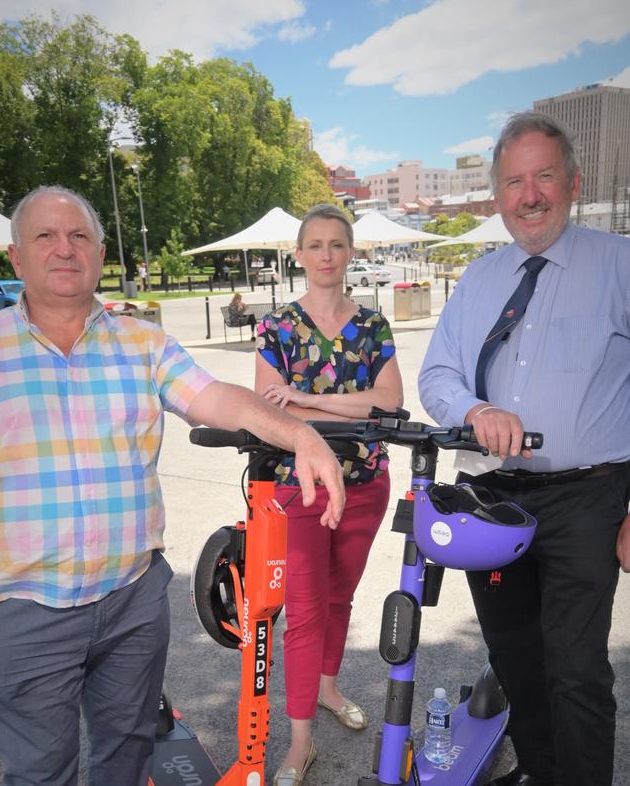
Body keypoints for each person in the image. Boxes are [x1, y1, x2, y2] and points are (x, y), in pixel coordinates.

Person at [0, 186, 345, 786]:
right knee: (40, 772)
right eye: (45, 236)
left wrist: (301, 435)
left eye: (79, 237)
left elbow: (218, 399)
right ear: (16, 258)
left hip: (131, 603)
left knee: (125, 756)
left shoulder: (143, 343)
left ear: (100, 253)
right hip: (22, 612)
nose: (64, 249)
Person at [418, 112, 630, 786]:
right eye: (514, 180)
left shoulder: (620, 264)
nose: (529, 194)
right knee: (516, 662)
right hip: (491, 499)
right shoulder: (479, 279)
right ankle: (543, 772)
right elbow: (435, 375)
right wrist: (473, 409)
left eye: (543, 176)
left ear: (572, 181)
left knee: (576, 670)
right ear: (497, 195)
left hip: (587, 497)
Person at [255, 203, 404, 786]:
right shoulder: (277, 327)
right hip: (299, 487)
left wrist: (307, 401)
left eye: (336, 245)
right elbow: (267, 406)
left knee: (340, 598)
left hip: (365, 483)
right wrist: (346, 403)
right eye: (314, 245)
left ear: (349, 253)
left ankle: (327, 688)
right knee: (305, 612)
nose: (325, 255)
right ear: (298, 255)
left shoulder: (372, 326)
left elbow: (388, 404)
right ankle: (299, 742)